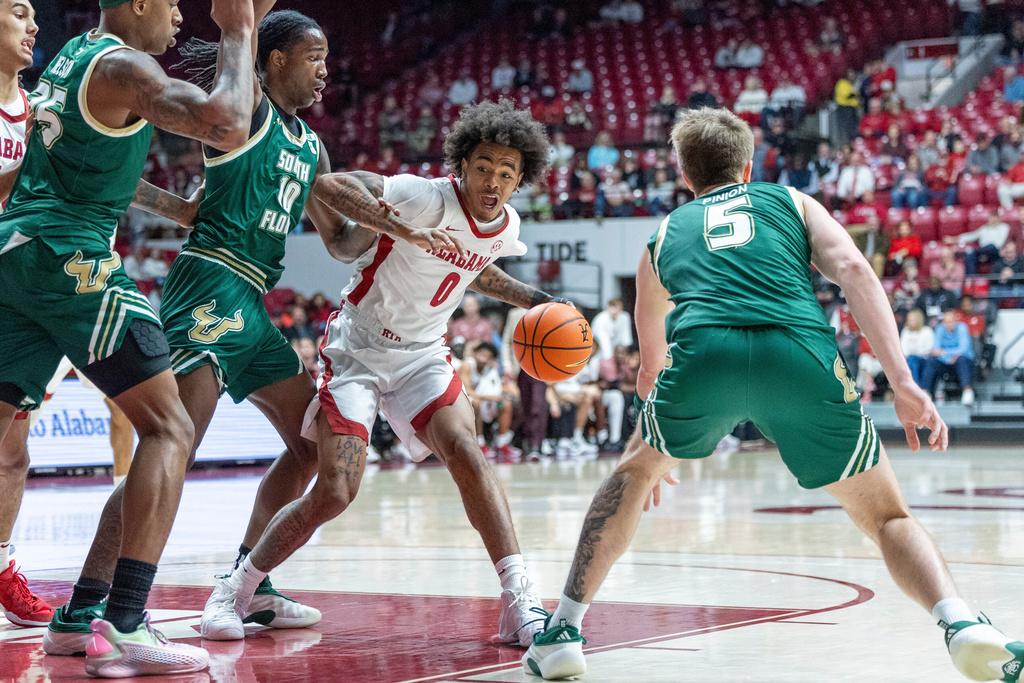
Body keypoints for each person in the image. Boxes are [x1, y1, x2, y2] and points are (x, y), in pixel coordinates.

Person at [523, 106, 1024, 682]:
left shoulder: (661, 237)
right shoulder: (791, 201)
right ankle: (961, 624)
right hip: (799, 354)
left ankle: (562, 632)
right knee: (887, 516)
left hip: (704, 356)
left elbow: (649, 365)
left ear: (685, 176)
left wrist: (653, 451)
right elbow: (855, 273)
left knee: (630, 476)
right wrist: (904, 382)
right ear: (748, 165)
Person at [107, 11, 439, 646]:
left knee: (311, 443)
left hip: (253, 306)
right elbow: (239, 36)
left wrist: (387, 219)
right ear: (277, 58)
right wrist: (242, 24)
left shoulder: (311, 145)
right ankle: (101, 607)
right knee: (169, 449)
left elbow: (341, 242)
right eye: (313, 56)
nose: (324, 70)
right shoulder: (247, 107)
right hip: (208, 283)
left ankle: (246, 583)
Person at [205, 98, 560, 649]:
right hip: (358, 351)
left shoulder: (506, 223)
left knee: (467, 450)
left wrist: (538, 300)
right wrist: (399, 228)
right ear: (461, 164)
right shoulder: (422, 195)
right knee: (336, 491)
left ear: (521, 181)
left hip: (423, 355)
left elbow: (475, 270)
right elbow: (328, 187)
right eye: (484, 166)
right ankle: (237, 586)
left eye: (507, 173)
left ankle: (518, 598)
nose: (493, 180)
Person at [0, 0, 258, 674]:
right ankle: (123, 623)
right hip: (68, 253)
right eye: (171, 4)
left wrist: (174, 207)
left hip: (15, 256)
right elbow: (226, 122)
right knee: (171, 427)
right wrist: (239, 30)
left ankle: (79, 613)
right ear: (138, 3)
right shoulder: (123, 63)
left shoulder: (71, 57)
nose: (179, 18)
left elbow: (87, 164)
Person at [0, 0, 52, 630]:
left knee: (15, 451)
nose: (34, 25)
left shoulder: (41, 111)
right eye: (18, 12)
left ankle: (2, 563)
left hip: (18, 293)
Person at [920, 310, 976, 405]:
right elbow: (936, 349)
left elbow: (963, 349)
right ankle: (926, 392)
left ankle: (967, 392)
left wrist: (945, 352)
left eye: (950, 321)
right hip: (945, 362)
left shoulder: (962, 328)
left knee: (961, 359)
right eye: (946, 322)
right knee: (931, 360)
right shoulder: (940, 329)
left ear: (955, 321)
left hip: (961, 361)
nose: (948, 324)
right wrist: (949, 356)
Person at [952, 209, 1010, 274]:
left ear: (999, 218)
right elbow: (972, 236)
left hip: (996, 251)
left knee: (991, 246)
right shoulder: (984, 229)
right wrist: (954, 239)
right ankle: (970, 278)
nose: (993, 219)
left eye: (995, 217)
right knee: (970, 253)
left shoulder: (1004, 227)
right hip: (983, 251)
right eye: (991, 217)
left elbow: (1001, 242)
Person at [901, 309, 934, 386]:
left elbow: (928, 349)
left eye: (913, 320)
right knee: (911, 360)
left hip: (924, 359)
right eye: (909, 320)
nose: (911, 322)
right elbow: (903, 348)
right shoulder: (905, 331)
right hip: (909, 358)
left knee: (913, 359)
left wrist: (914, 353)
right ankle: (913, 386)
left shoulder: (927, 331)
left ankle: (915, 387)